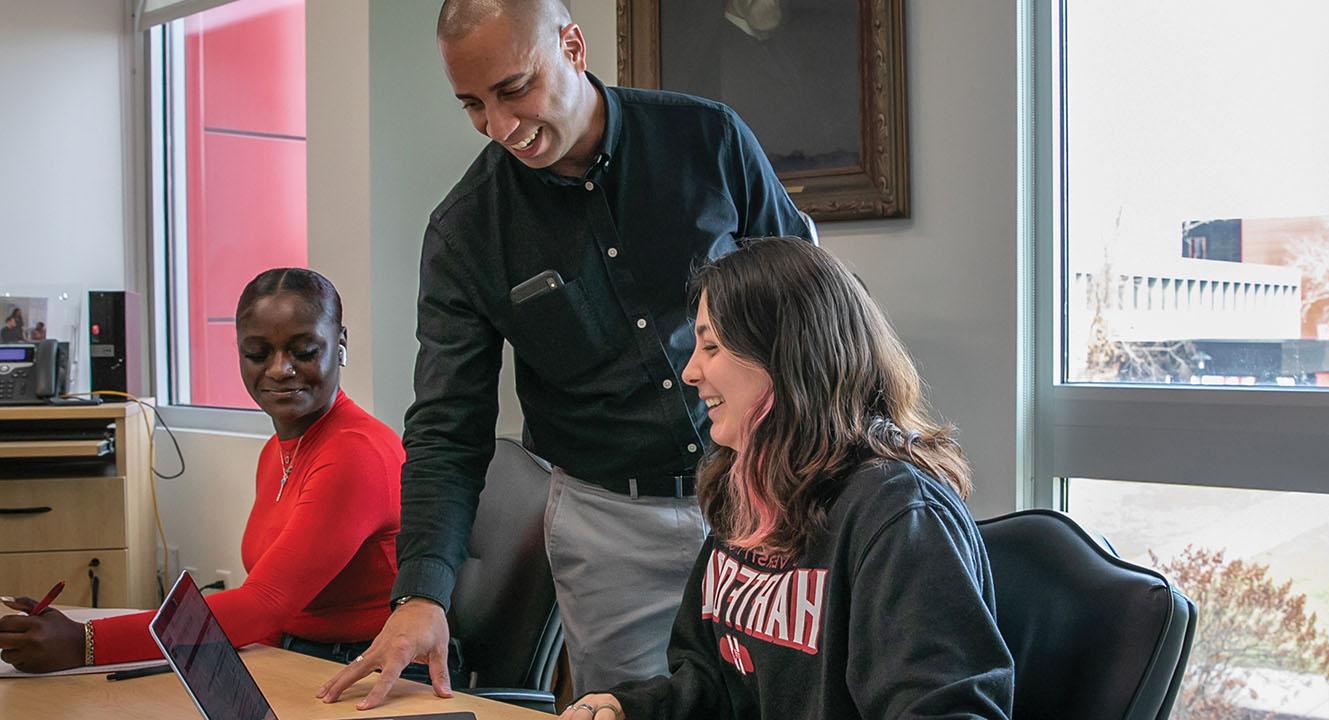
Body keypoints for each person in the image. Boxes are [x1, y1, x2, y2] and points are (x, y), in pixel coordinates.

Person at [318, 0, 812, 710]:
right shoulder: (466, 232)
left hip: (760, 493)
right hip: (610, 528)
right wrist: (422, 593)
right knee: (625, 709)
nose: (500, 126)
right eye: (472, 105)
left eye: (515, 88)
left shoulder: (707, 138)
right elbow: (445, 428)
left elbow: (811, 309)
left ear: (573, 46)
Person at [557, 237, 1014, 720]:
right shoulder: (749, 488)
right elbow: (715, 682)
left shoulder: (899, 514)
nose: (689, 371)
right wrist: (630, 709)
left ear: (783, 357)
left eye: (711, 345)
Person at [0, 268, 406, 674]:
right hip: (295, 655)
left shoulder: (357, 452)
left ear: (340, 345)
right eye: (258, 354)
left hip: (366, 670)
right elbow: (266, 617)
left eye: (304, 351)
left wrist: (83, 642)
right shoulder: (279, 450)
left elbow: (261, 605)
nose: (280, 369)